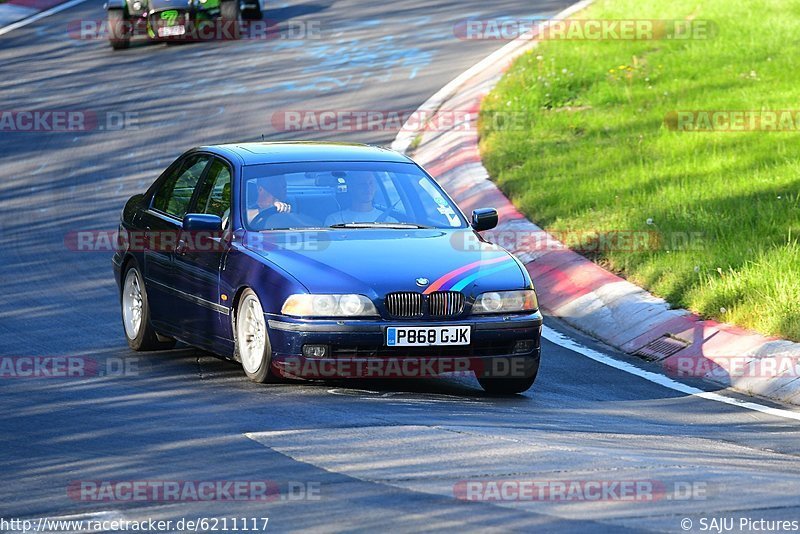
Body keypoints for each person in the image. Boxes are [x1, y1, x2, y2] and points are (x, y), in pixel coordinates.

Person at [324, 172, 394, 226]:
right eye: (362, 184)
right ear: (351, 187)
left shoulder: (390, 222)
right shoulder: (334, 221)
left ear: (375, 187)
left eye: (371, 183)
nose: (368, 188)